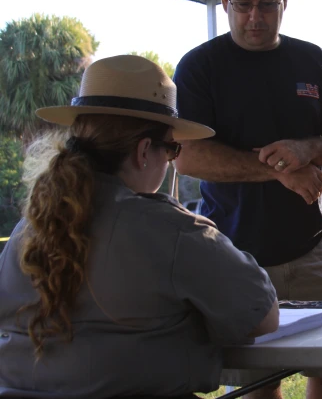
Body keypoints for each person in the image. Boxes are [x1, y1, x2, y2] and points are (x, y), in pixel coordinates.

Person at [0, 55, 279, 398]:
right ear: (144, 151)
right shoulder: (170, 230)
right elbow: (262, 317)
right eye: (172, 149)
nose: (171, 161)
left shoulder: (23, 233)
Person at [174, 0, 322, 399]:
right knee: (258, 380)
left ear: (285, 0)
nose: (255, 17)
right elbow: (187, 158)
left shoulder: (315, 61)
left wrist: (306, 150)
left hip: (313, 249)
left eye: (267, 4)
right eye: (243, 4)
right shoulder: (200, 67)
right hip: (234, 254)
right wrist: (280, 172)